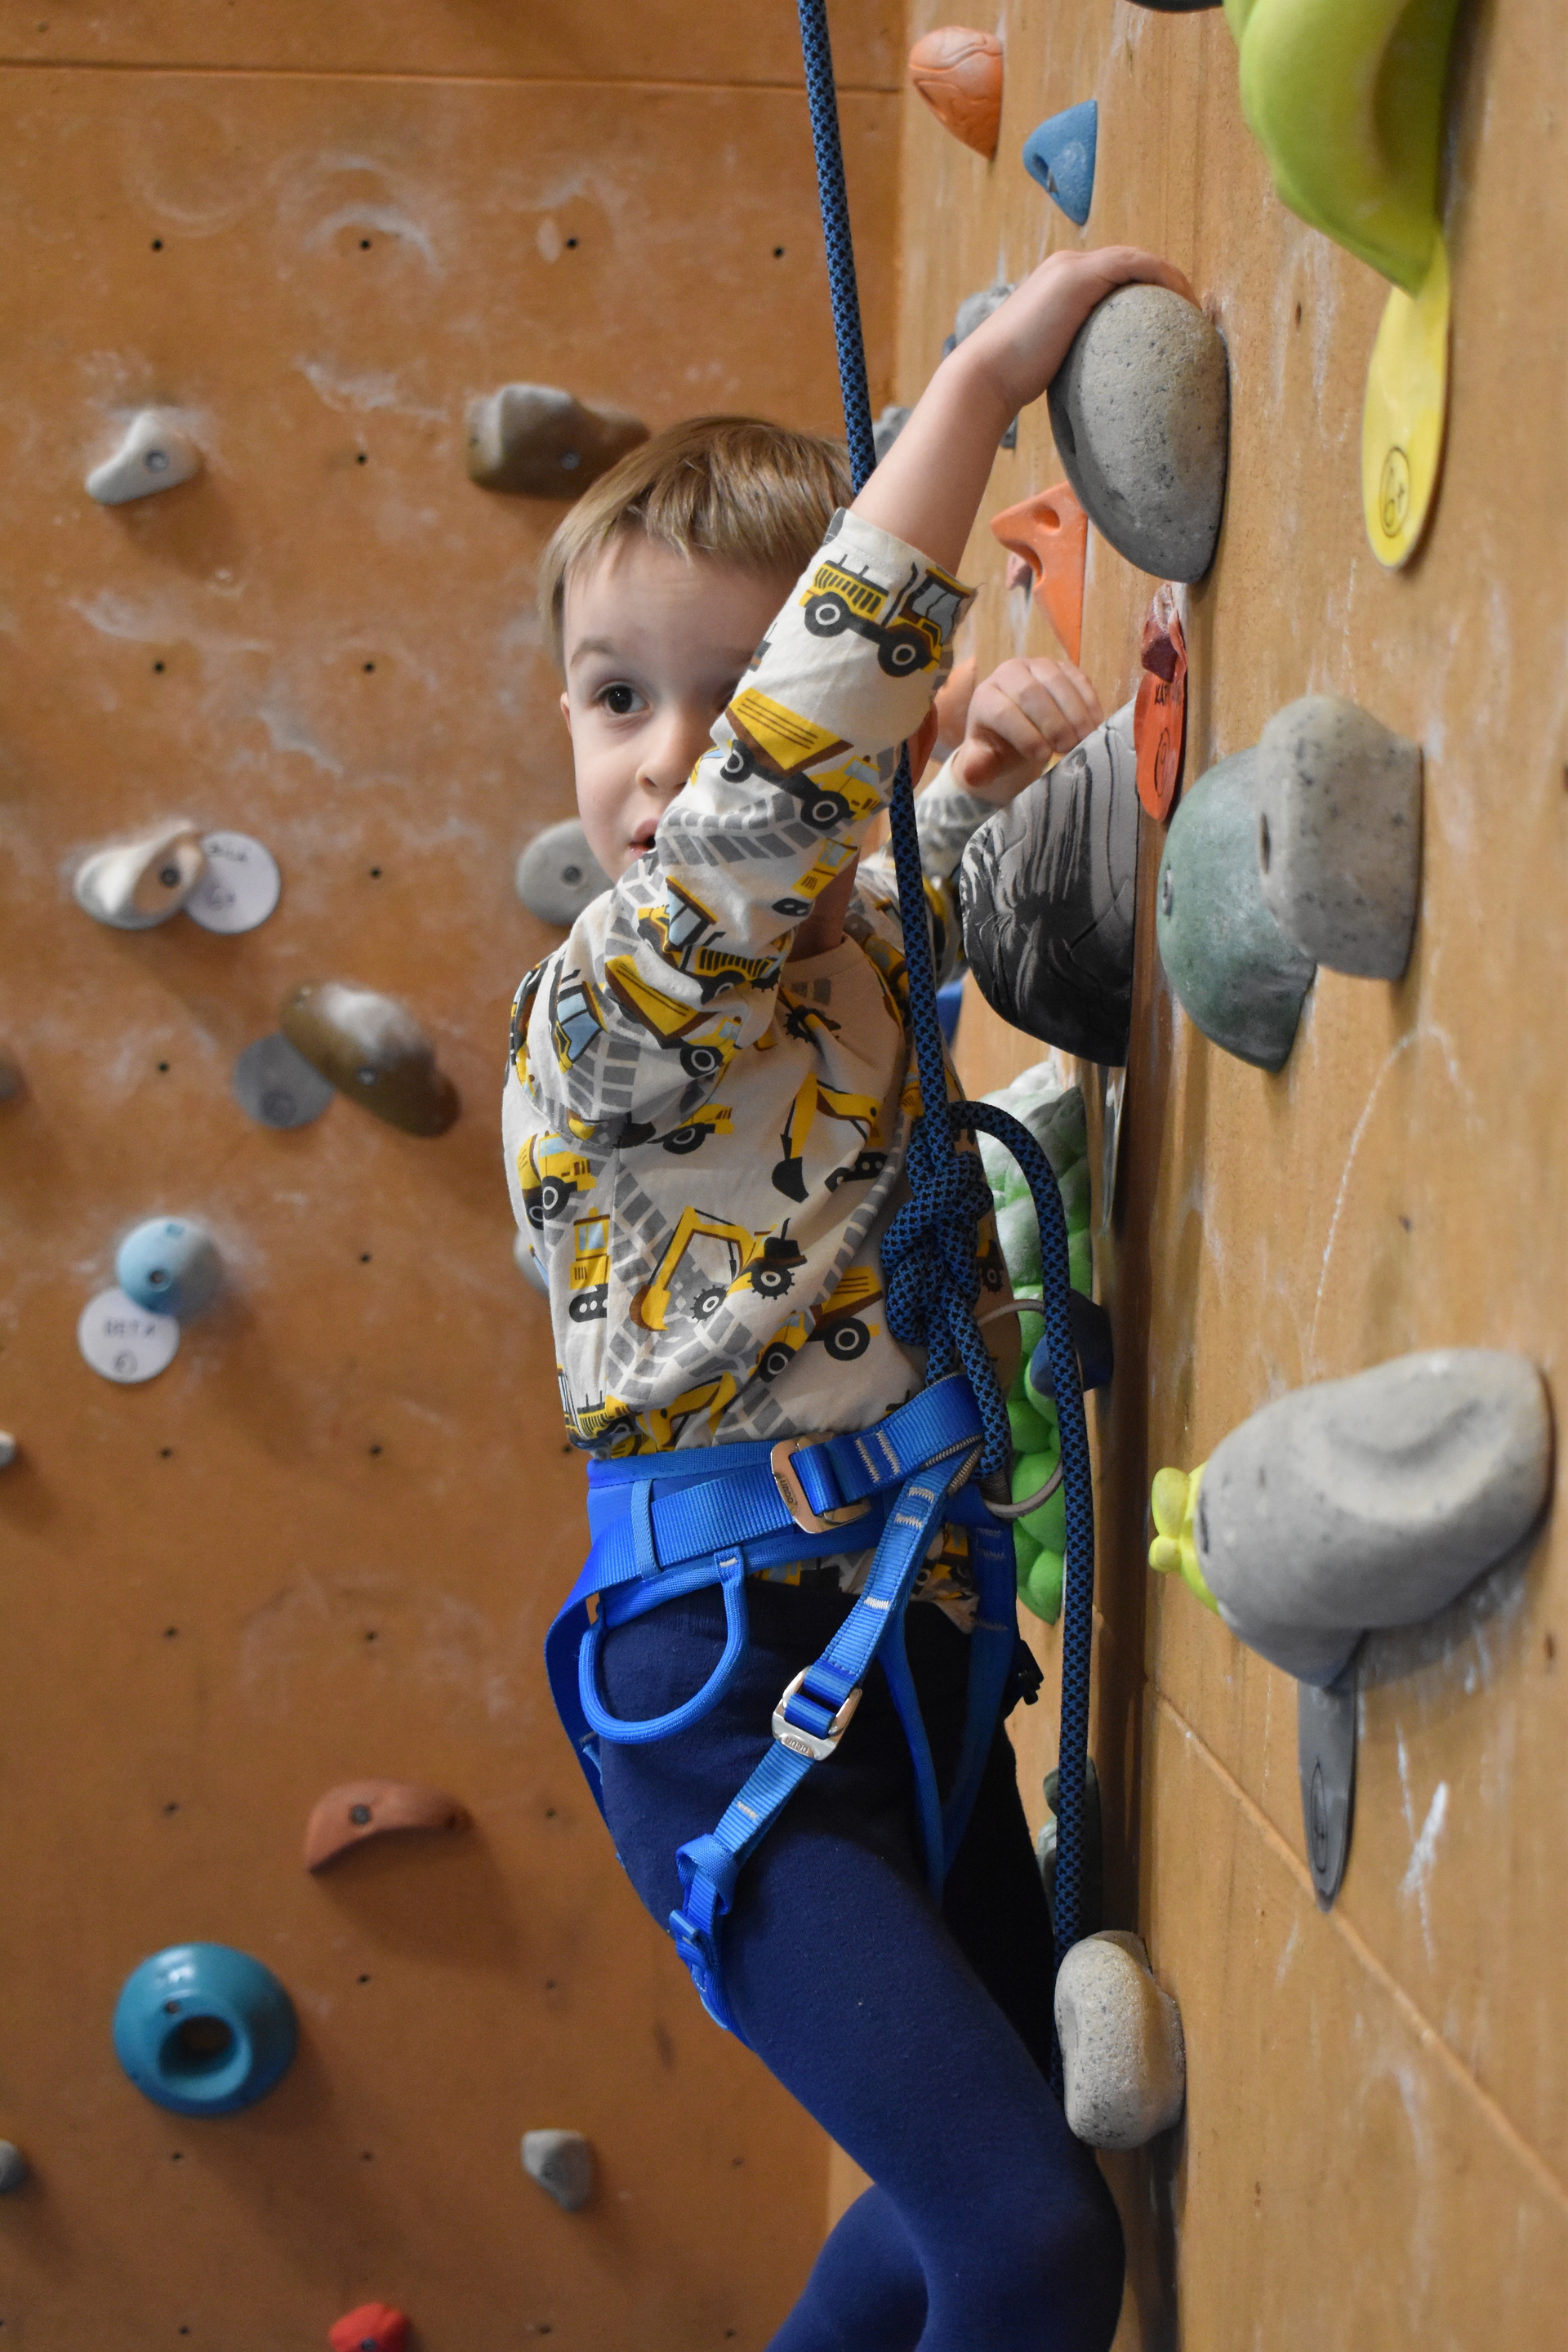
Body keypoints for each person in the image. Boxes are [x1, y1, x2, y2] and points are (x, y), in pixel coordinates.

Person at [506, 243, 1191, 2352]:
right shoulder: (609, 1007)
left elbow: (882, 888)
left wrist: (975, 768)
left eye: (725, 695)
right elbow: (776, 814)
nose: (667, 761)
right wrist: (975, 392)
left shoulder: (832, 948)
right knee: (1032, 2246)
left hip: (898, 1644)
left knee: (966, 2207)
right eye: (618, 699)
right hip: (727, 1692)